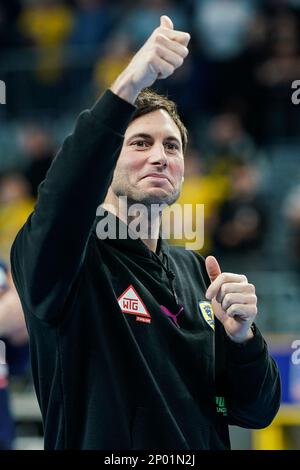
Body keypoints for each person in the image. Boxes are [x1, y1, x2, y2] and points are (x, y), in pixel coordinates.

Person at [10, 15, 280, 450]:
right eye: (140, 143)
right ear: (106, 160)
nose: (159, 156)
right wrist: (132, 79)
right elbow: (64, 194)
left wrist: (242, 338)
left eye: (171, 146)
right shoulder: (69, 260)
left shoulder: (197, 271)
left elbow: (256, 411)